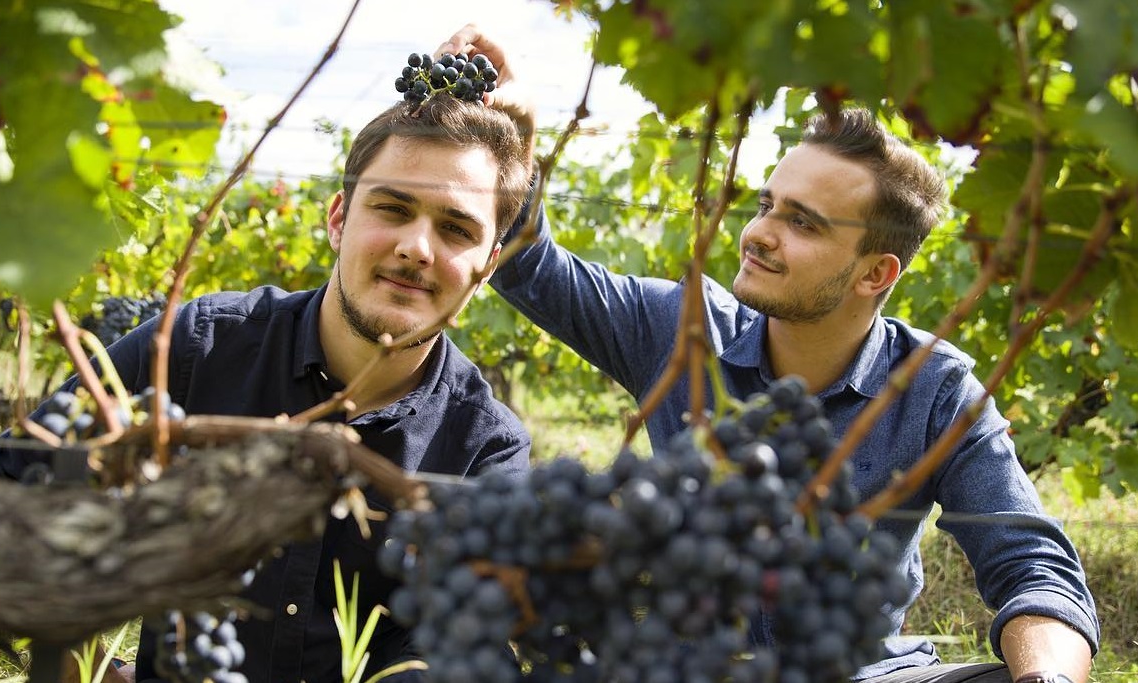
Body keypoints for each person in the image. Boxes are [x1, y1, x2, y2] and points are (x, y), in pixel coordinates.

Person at [438, 24, 1098, 683]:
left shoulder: (935, 386)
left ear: (875, 274)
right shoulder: (678, 328)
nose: (757, 233)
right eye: (766, 205)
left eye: (801, 221)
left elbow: (1031, 562)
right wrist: (516, 143)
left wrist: (1047, 679)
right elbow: (529, 267)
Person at [0, 91, 534, 682]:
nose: (416, 247)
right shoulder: (195, 348)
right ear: (338, 219)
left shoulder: (485, 447)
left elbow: (454, 645)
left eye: (456, 228)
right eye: (392, 208)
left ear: (487, 267)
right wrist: (91, 668)